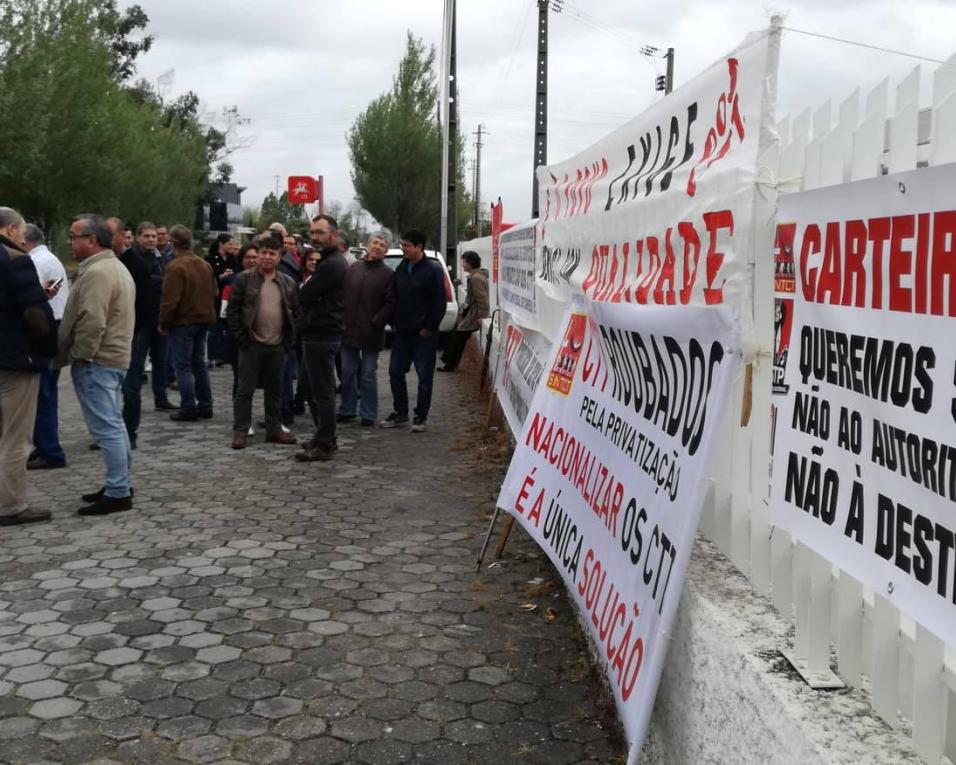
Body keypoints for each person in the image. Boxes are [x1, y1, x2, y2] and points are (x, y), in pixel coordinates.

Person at [57, 213, 135, 516]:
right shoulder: (111, 266)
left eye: (74, 236)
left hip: (98, 360)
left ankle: (118, 492)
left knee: (107, 428)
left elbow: (92, 319)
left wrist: (82, 354)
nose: (70, 242)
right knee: (114, 424)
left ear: (91, 240)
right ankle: (120, 483)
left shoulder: (99, 271)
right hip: (109, 358)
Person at [0, 207, 56, 525]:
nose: (24, 237)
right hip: (15, 360)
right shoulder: (15, 259)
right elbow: (35, 314)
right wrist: (48, 348)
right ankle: (11, 505)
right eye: (21, 231)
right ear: (10, 229)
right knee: (16, 436)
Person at [226, 235, 299, 450]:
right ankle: (241, 431)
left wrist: (289, 341)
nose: (267, 257)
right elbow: (233, 312)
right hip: (251, 344)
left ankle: (274, 429)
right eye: (263, 253)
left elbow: (296, 312)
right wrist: (241, 337)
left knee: (275, 390)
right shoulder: (244, 279)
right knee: (244, 390)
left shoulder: (288, 282)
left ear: (279, 256)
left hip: (277, 345)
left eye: (272, 253)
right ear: (258, 255)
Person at [381, 229, 446, 432]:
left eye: (407, 245)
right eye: (402, 245)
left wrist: (429, 327)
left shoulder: (433, 270)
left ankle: (420, 416)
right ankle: (400, 413)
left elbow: (439, 302)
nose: (403, 249)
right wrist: (393, 321)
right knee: (394, 373)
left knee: (424, 377)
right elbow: (393, 295)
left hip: (423, 335)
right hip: (402, 332)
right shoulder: (402, 267)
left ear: (419, 247)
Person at [295, 214, 347, 462]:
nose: (314, 237)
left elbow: (305, 296)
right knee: (311, 388)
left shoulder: (332, 264)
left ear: (333, 235)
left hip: (322, 333)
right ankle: (322, 436)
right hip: (316, 332)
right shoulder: (328, 261)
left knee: (322, 391)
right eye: (312, 233)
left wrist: (305, 292)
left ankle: (326, 443)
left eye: (319, 233)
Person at [22, 223, 70, 470]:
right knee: (46, 392)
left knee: (44, 395)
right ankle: (45, 446)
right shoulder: (46, 258)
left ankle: (50, 450)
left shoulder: (37, 261)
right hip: (54, 325)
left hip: (47, 328)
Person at [159, 225, 217, 422]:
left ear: (173, 243)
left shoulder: (175, 267)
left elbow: (170, 301)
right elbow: (214, 291)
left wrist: (163, 322)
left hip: (183, 321)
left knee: (182, 366)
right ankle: (206, 405)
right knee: (199, 364)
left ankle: (188, 406)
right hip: (204, 318)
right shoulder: (204, 264)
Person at [110, 217, 158, 450]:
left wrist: (134, 328)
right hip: (115, 333)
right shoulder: (111, 262)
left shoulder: (134, 263)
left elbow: (145, 302)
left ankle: (129, 431)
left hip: (134, 332)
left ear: (122, 236)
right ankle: (111, 431)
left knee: (130, 383)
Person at [337, 233, 394, 427]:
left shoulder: (387, 274)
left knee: (368, 375)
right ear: (368, 246)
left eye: (382, 245)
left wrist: (376, 322)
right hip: (348, 330)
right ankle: (347, 409)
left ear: (386, 250)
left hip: (371, 333)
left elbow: (390, 303)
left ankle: (368, 413)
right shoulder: (354, 268)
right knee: (347, 373)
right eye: (375, 243)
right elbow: (342, 295)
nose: (378, 247)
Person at [133, 221, 175, 411]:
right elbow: (143, 282)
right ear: (138, 237)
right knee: (137, 361)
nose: (151, 239)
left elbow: (169, 279)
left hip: (160, 316)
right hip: (141, 318)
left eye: (154, 236)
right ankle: (132, 400)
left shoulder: (162, 258)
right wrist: (160, 281)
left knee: (161, 360)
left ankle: (161, 398)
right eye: (147, 236)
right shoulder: (134, 258)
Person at [440, 250, 489, 372]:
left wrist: (480, 317)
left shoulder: (476, 278)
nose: (462, 265)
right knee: (457, 338)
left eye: (464, 262)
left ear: (470, 263)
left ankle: (450, 364)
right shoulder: (475, 277)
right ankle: (449, 363)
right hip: (469, 314)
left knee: (457, 339)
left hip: (472, 315)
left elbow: (481, 299)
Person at [222, 243, 260, 397]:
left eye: (254, 257)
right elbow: (228, 312)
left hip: (260, 337)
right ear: (241, 259)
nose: (251, 261)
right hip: (239, 338)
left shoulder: (266, 279)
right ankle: (240, 415)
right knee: (240, 378)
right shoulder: (234, 280)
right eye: (248, 257)